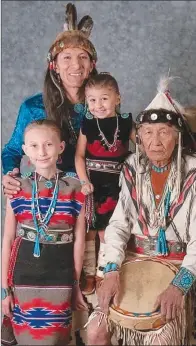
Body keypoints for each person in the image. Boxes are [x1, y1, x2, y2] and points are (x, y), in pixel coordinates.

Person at [84, 76, 196, 345]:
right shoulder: (132, 167)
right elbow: (118, 224)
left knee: (162, 340)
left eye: (164, 131)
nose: (156, 140)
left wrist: (179, 285)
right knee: (95, 331)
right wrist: (111, 271)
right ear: (138, 136)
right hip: (133, 260)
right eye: (148, 132)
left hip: (176, 266)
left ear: (177, 136)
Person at [1, 120, 87, 345]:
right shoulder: (16, 187)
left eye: (48, 144)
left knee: (55, 338)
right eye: (34, 146)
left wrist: (75, 284)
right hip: (24, 273)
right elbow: (8, 239)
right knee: (28, 338)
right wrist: (3, 290)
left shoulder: (75, 188)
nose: (42, 152)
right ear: (25, 150)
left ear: (61, 147)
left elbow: (78, 241)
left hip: (60, 275)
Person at [2, 2, 98, 198]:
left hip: (96, 194)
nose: (76, 65)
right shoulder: (34, 107)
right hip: (50, 197)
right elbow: (12, 150)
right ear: (54, 65)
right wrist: (9, 174)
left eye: (83, 57)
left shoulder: (103, 104)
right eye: (66, 58)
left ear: (92, 65)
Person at [75, 73, 135, 295]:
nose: (98, 105)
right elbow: (79, 156)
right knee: (90, 231)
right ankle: (89, 273)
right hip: (93, 184)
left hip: (117, 183)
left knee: (107, 232)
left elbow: (144, 145)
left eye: (104, 99)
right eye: (92, 100)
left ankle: (103, 272)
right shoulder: (88, 124)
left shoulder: (127, 121)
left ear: (117, 98)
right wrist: (83, 180)